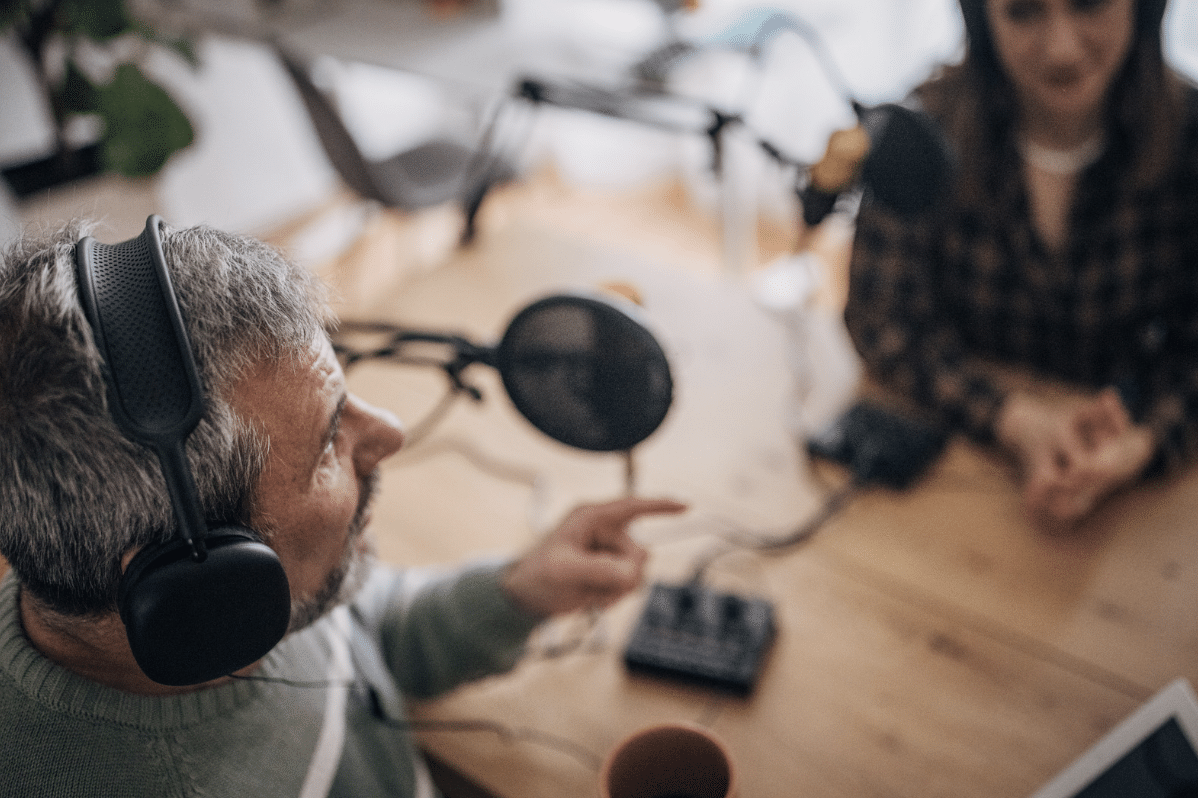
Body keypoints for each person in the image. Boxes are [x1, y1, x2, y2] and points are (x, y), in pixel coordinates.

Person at [0, 219, 686, 797]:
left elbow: (361, 640)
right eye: (329, 439)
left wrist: (516, 594)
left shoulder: (261, 606)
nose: (388, 432)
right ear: (193, 580)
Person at [844, 0, 1198, 527]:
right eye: (1023, 11)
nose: (1060, 47)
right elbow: (881, 317)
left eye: (1090, 4)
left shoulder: (1190, 140)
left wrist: (1141, 445)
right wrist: (1013, 420)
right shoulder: (922, 134)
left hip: (1136, 496)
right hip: (963, 490)